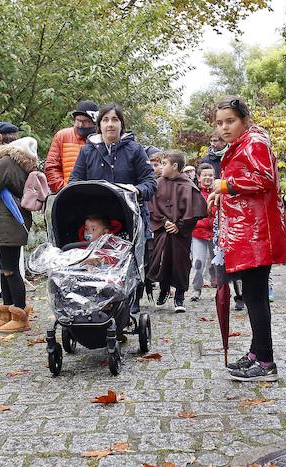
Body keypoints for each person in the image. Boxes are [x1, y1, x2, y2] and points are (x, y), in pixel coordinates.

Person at [208, 96, 286, 382]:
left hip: (257, 232)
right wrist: (221, 194)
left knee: (256, 296)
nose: (224, 127)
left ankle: (266, 361)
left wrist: (225, 185)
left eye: (230, 121)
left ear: (244, 119)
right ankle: (257, 353)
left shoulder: (255, 142)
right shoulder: (243, 143)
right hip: (247, 231)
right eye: (220, 123)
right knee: (253, 294)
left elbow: (264, 179)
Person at [69, 103, 157, 314]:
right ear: (99, 125)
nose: (110, 124)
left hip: (129, 215)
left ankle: (130, 301)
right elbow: (75, 180)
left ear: (121, 124)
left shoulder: (135, 150)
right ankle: (99, 299)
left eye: (115, 120)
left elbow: (150, 183)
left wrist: (136, 190)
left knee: (130, 259)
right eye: (106, 120)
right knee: (99, 260)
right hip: (97, 219)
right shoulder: (88, 150)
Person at [0, 122, 36, 333]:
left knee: (10, 270)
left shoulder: (7, 162)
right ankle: (9, 314)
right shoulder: (14, 159)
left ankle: (19, 315)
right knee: (4, 269)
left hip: (8, 222)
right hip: (7, 221)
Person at [147, 150, 207, 313]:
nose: (160, 167)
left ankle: (180, 295)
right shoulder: (158, 183)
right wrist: (164, 222)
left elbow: (194, 211)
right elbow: (152, 207)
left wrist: (179, 225)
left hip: (180, 234)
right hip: (162, 230)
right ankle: (164, 290)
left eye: (164, 164)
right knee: (161, 261)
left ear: (175, 166)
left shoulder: (188, 185)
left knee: (180, 263)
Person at [44, 100, 98, 193]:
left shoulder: (102, 139)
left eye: (85, 121)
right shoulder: (62, 136)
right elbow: (51, 167)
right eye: (78, 121)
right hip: (68, 194)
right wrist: (63, 189)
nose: (80, 125)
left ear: (94, 121)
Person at [190, 163, 217, 301]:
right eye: (205, 175)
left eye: (211, 175)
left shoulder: (219, 192)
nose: (208, 178)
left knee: (218, 264)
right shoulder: (194, 193)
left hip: (216, 233)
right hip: (198, 232)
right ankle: (196, 290)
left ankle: (222, 290)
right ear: (199, 177)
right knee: (198, 262)